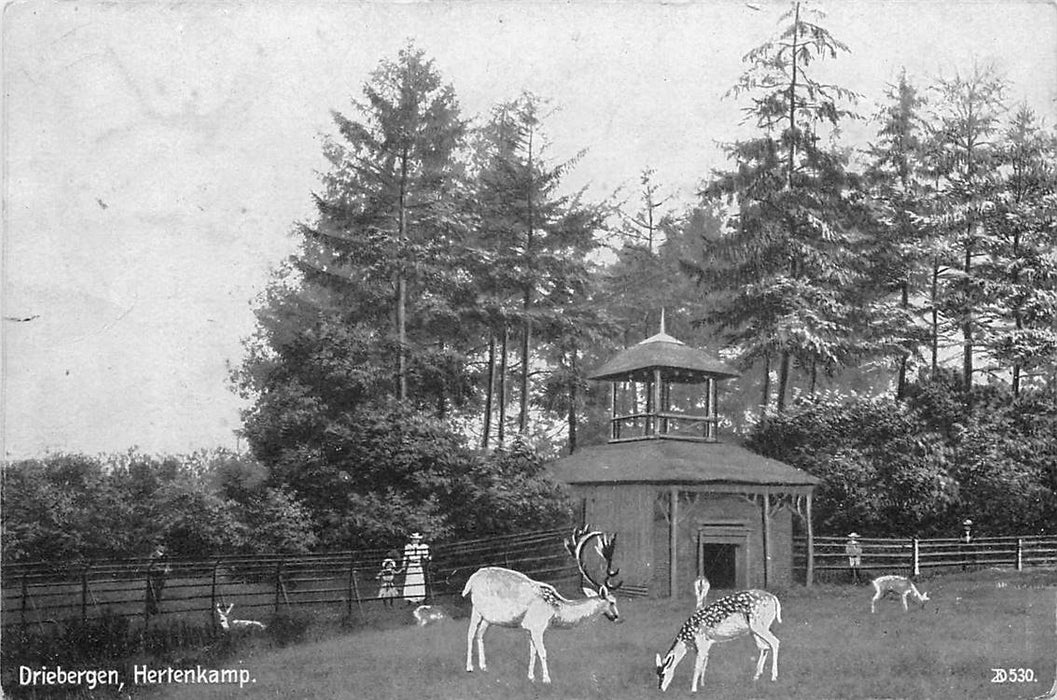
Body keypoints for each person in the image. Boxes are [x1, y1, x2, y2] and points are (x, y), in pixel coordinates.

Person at [401, 532, 431, 604]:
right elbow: (406, 557)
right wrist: (404, 564)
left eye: (417, 539)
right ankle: (410, 599)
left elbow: (425, 556)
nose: (416, 541)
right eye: (414, 539)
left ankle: (419, 598)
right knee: (410, 581)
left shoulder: (422, 547)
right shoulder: (408, 547)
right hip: (411, 565)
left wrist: (429, 558)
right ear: (412, 540)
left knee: (419, 581)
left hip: (418, 565)